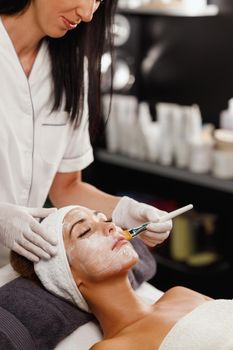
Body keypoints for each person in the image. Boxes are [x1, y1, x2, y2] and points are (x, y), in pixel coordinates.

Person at [0, 0, 172, 265]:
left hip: (14, 274)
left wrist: (126, 211)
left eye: (98, 0)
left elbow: (66, 187)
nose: (88, 14)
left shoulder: (70, 69)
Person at [10, 206, 233, 350]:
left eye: (104, 218)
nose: (110, 226)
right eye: (85, 231)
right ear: (67, 278)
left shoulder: (181, 295)